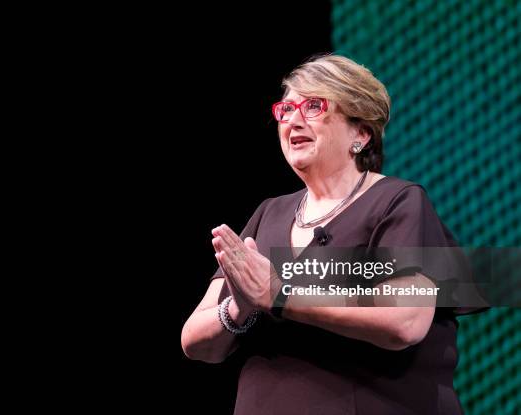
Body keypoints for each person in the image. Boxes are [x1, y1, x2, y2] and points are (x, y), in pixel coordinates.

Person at [181, 54, 482, 415]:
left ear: (361, 133)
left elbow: (405, 320)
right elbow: (195, 341)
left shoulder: (397, 202)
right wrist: (239, 307)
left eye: (312, 106)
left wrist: (279, 294)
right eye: (286, 109)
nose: (293, 120)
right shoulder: (268, 214)